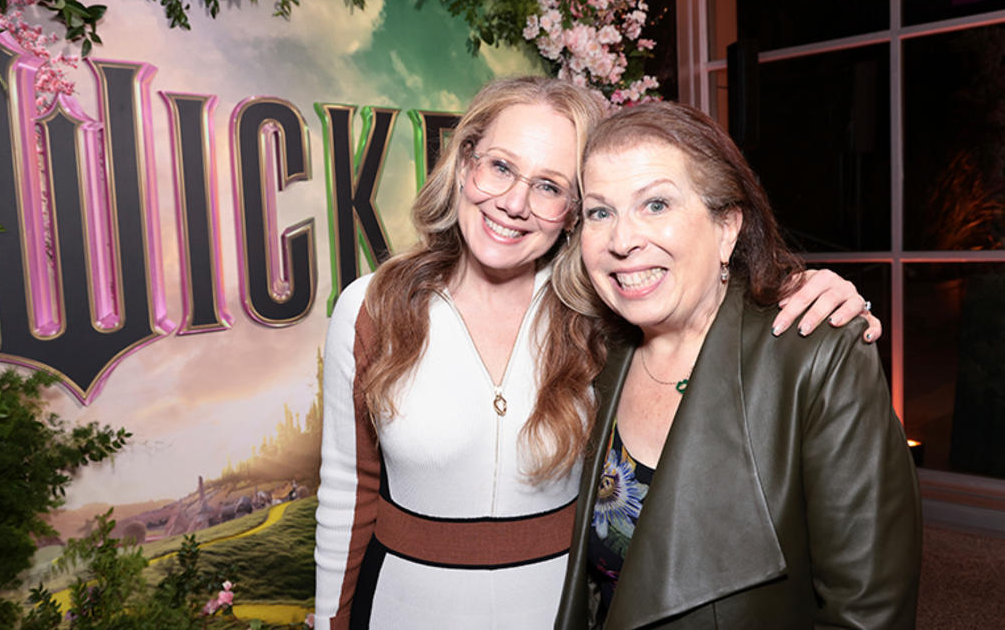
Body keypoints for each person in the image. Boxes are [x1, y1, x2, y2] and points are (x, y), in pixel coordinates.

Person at [314, 77, 880, 630]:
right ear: (465, 165)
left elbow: (709, 303)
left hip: (557, 612)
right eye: (501, 167)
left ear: (572, 213)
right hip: (401, 608)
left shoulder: (599, 314)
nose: (514, 202)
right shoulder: (374, 306)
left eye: (550, 186)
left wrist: (805, 289)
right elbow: (348, 492)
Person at [551, 101, 921, 630]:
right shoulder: (592, 352)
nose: (622, 240)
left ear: (727, 227)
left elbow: (867, 612)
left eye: (655, 204)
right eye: (600, 212)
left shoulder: (816, 354)